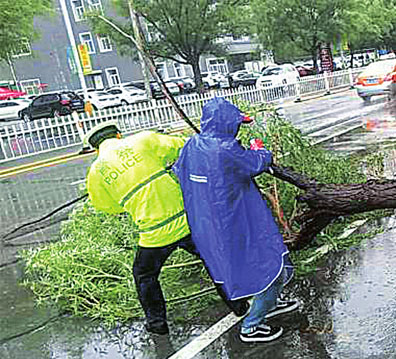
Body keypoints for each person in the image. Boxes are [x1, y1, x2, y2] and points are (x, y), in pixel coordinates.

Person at [84, 121, 248, 335]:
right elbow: (183, 146)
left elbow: (106, 206)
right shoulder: (143, 140)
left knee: (144, 275)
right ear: (118, 134)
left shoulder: (96, 171)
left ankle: (157, 324)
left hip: (154, 234)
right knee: (215, 260)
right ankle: (238, 305)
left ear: (95, 148)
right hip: (188, 223)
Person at [174, 98, 298, 344]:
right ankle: (252, 326)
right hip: (238, 223)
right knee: (266, 266)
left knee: (251, 265)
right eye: (237, 123)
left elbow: (180, 171)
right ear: (227, 123)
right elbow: (258, 163)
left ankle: (270, 304)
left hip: (207, 224)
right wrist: (260, 149)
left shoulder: (191, 145)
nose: (238, 127)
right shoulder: (225, 149)